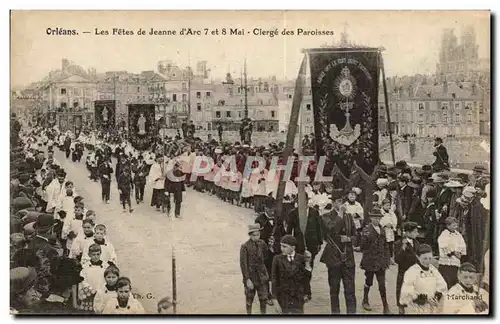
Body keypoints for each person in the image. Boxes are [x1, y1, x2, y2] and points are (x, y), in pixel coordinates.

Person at [320, 191, 357, 314]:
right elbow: (333, 229)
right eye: (339, 201)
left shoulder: (349, 216)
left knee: (350, 290)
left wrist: (350, 239)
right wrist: (340, 213)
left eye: (342, 201)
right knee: (334, 290)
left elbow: (356, 236)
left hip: (348, 258)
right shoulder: (325, 217)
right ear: (333, 203)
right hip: (333, 258)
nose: (342, 204)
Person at [399, 244, 447, 314]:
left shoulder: (433, 270)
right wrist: (424, 299)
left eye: (430, 258)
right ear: (418, 257)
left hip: (432, 306)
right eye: (425, 258)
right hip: (417, 307)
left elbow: (442, 285)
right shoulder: (412, 271)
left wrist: (437, 296)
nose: (428, 261)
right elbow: (407, 292)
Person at [360, 207, 391, 314]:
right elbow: (362, 246)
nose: (377, 220)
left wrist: (387, 259)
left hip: (381, 261)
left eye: (379, 218)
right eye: (375, 218)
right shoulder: (366, 230)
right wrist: (365, 239)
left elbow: (386, 245)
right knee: (369, 281)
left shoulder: (382, 229)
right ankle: (365, 300)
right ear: (371, 218)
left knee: (382, 284)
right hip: (370, 261)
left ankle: (385, 306)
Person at [271, 235, 312, 314]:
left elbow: (306, 279)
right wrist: (275, 300)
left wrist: (307, 263)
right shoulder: (277, 259)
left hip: (298, 298)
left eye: (284, 246)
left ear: (293, 247)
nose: (282, 248)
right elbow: (274, 280)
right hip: (283, 298)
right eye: (281, 246)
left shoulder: (301, 258)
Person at [239, 224, 269, 314]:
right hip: (251, 277)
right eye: (254, 235)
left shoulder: (262, 243)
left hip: (262, 276)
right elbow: (243, 264)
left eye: (258, 235)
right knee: (249, 299)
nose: (256, 237)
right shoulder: (245, 246)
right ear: (250, 235)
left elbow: (266, 256)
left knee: (263, 299)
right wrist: (247, 279)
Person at [394, 222, 421, 314]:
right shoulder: (399, 243)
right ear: (408, 233)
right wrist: (403, 247)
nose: (417, 234)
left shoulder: (417, 243)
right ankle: (401, 306)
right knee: (401, 289)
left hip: (415, 272)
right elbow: (397, 259)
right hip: (404, 271)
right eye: (415, 232)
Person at [438, 217, 466, 289]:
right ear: (448, 226)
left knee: (454, 278)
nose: (455, 227)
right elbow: (443, 245)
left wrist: (459, 252)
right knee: (445, 278)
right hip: (446, 260)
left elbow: (462, 244)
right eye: (453, 225)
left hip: (455, 260)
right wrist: (453, 252)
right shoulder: (444, 234)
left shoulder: (458, 235)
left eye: (456, 225)